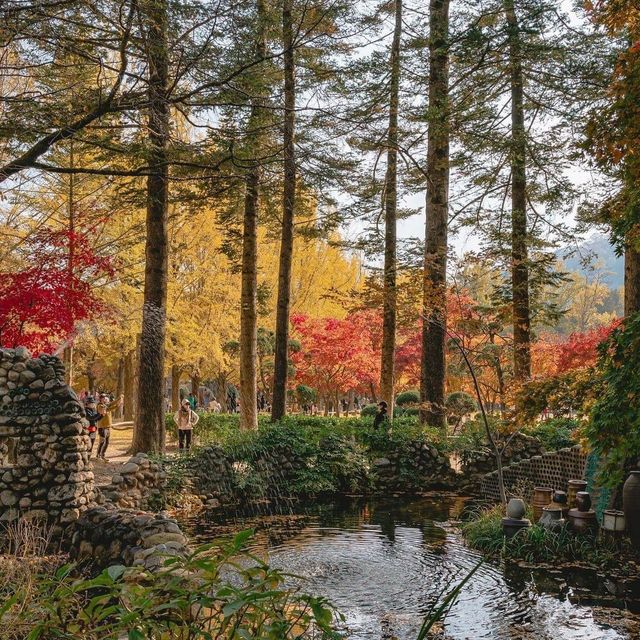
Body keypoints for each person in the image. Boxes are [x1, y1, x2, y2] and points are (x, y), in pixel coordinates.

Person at [96, 393, 123, 461]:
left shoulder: (105, 405)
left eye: (105, 398)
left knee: (107, 442)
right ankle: (98, 455)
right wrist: (116, 405)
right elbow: (107, 409)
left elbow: (111, 404)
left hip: (107, 427)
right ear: (100, 399)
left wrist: (119, 399)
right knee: (102, 441)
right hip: (102, 427)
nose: (104, 399)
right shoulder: (100, 406)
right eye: (103, 398)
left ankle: (103, 455)